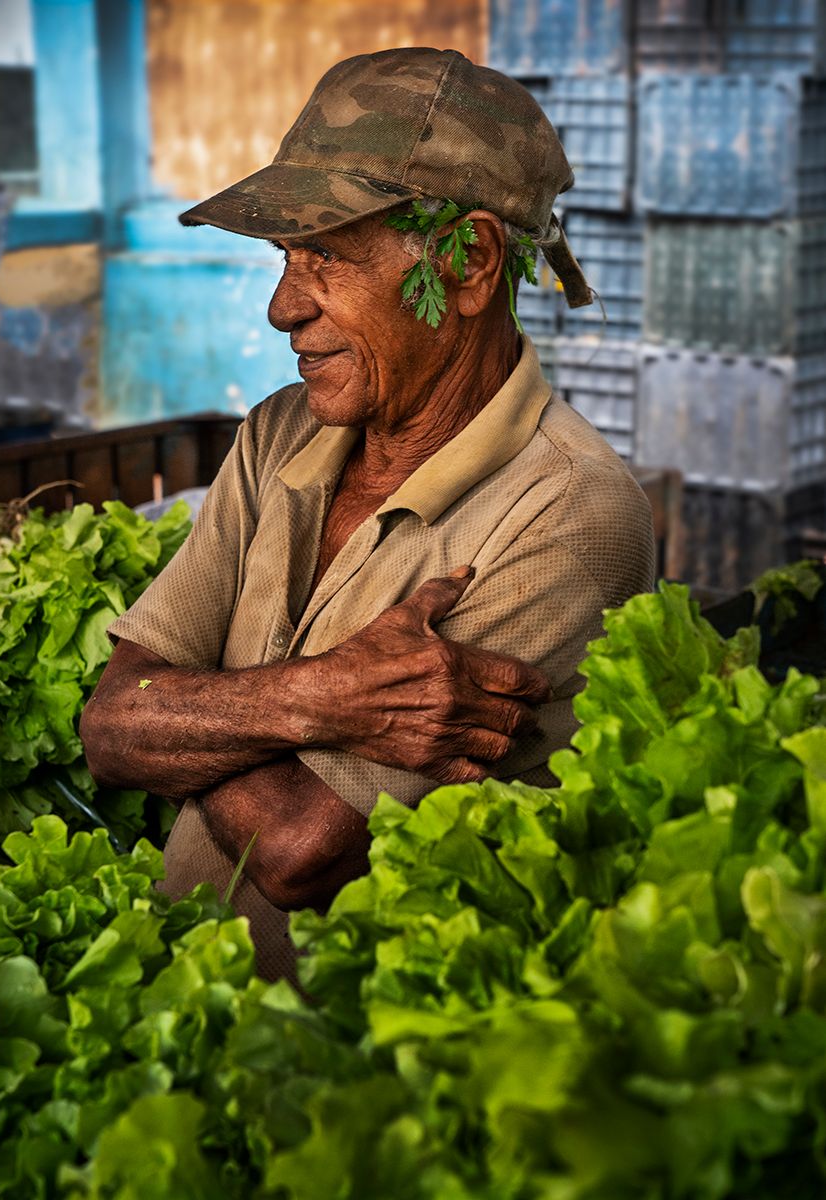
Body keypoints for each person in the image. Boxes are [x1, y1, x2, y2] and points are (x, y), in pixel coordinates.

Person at [80, 46, 655, 980]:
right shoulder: (278, 433)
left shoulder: (569, 516)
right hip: (172, 1009)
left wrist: (197, 713)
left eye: (328, 257)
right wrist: (324, 698)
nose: (281, 307)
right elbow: (110, 727)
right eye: (285, 255)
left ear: (468, 264)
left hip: (353, 1068)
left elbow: (304, 849)